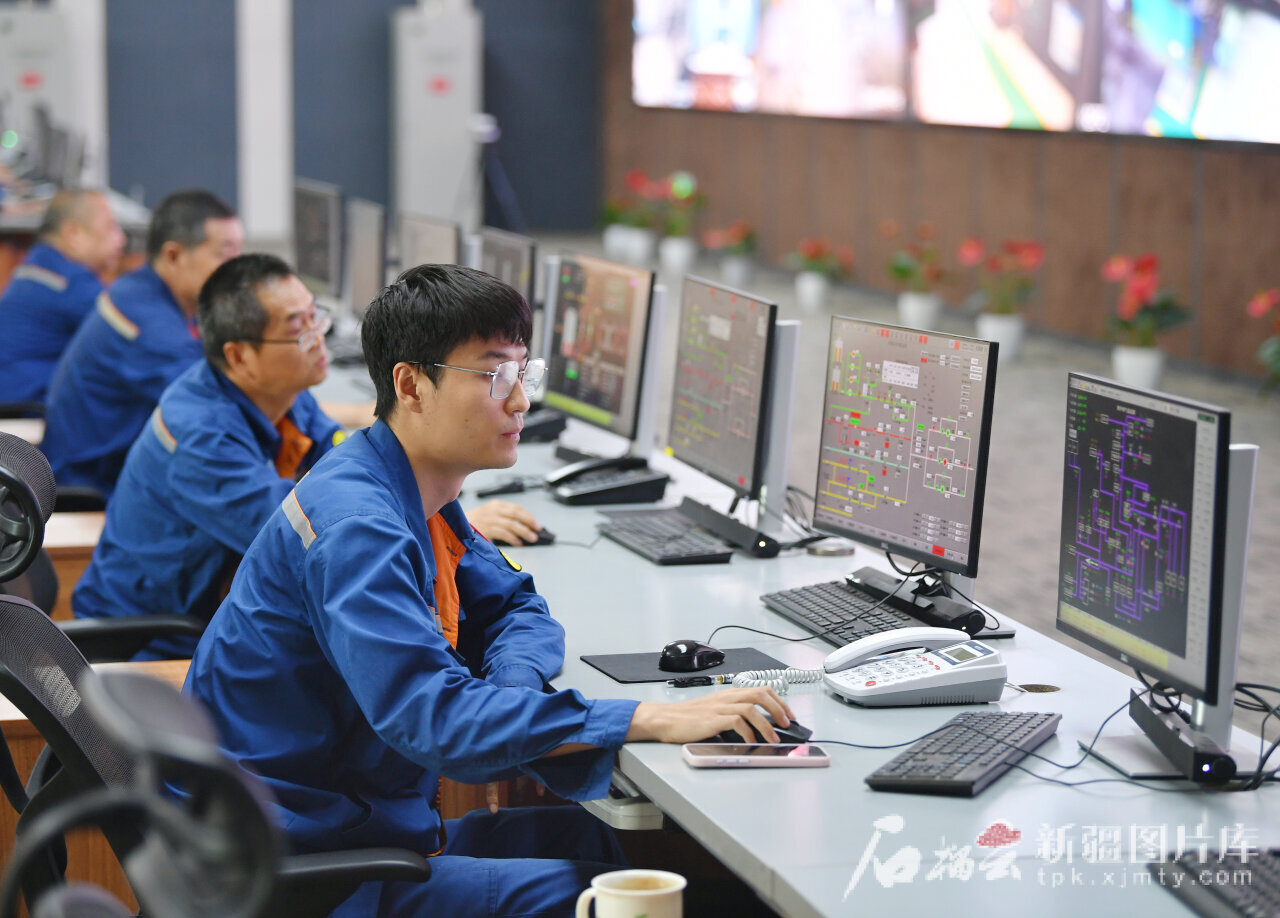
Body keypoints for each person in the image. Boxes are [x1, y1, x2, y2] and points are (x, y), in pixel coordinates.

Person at [185, 264, 791, 918]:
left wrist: (510, 692)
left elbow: (516, 607)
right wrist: (646, 718)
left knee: (610, 845)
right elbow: (438, 721)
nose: (521, 401)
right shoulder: (359, 529)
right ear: (411, 385)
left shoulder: (416, 488)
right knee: (641, 902)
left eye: (524, 373)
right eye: (495, 376)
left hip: (354, 827)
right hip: (303, 874)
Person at [71, 254, 342, 658]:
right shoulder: (201, 435)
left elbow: (340, 457)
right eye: (297, 329)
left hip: (213, 611)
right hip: (150, 641)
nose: (317, 337)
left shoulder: (282, 393)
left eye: (314, 317)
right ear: (239, 357)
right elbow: (299, 534)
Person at [39, 189, 244, 497]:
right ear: (173, 256)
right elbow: (219, 405)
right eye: (224, 256)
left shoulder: (142, 292)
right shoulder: (147, 325)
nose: (238, 272)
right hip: (92, 487)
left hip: (103, 471)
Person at [0, 188, 126, 404]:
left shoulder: (39, 263)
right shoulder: (70, 284)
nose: (121, 239)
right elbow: (129, 338)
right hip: (25, 407)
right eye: (110, 227)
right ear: (73, 233)